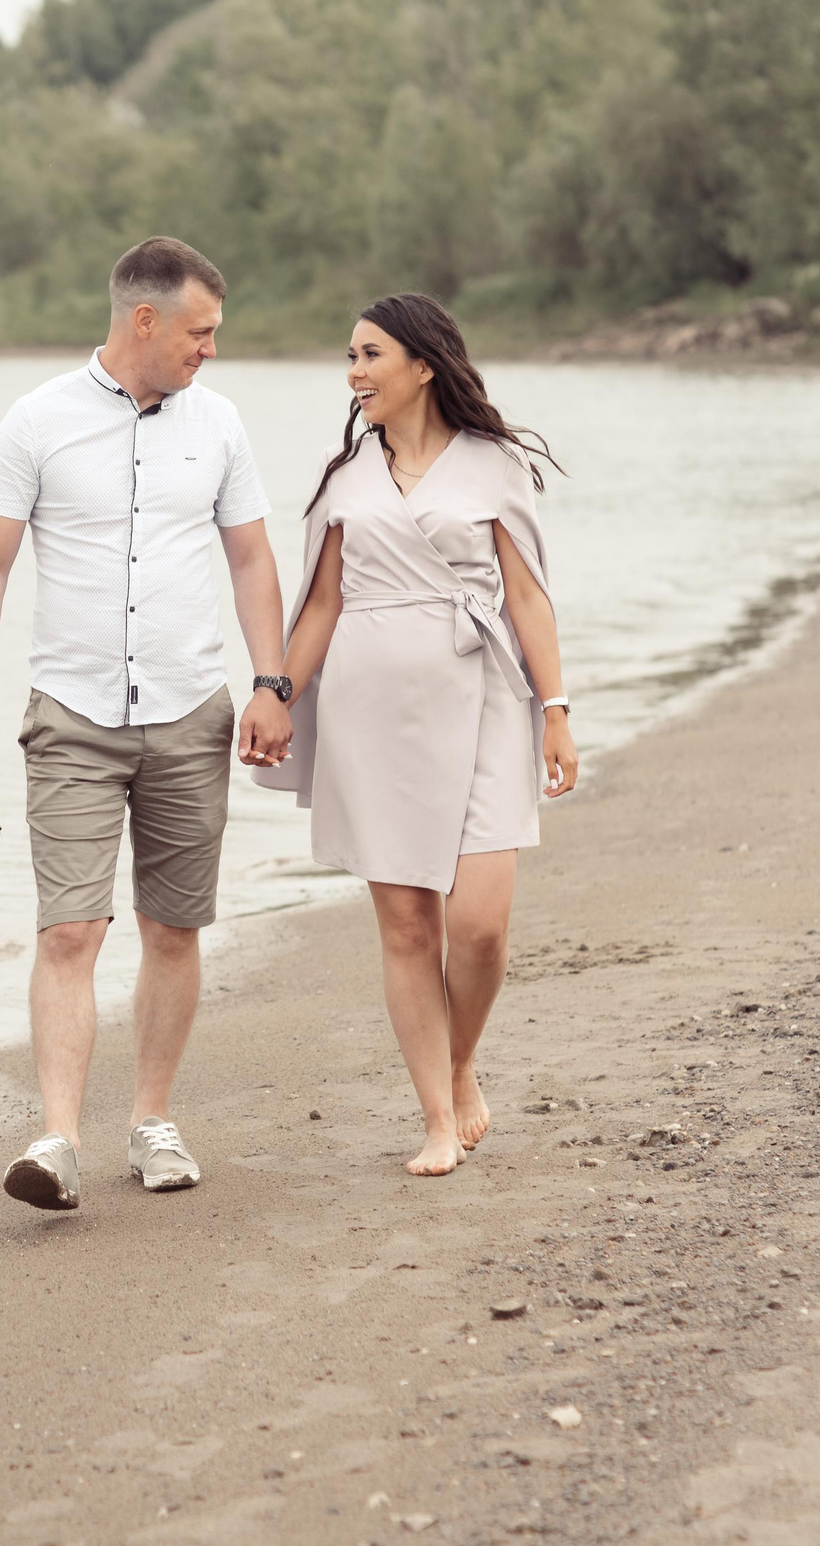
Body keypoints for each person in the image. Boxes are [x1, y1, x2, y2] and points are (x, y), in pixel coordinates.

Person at [0, 236, 292, 1211]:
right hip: (71, 715)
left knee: (172, 928)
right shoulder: (35, 421)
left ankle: (151, 1118)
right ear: (145, 319)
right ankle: (56, 1137)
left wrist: (273, 684)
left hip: (189, 709)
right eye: (200, 331)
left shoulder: (217, 425)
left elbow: (252, 561)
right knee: (69, 930)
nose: (209, 350)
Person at [255, 292, 578, 1177]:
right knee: (406, 927)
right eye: (350, 357)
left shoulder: (493, 466)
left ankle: (461, 1057)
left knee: (477, 927)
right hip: (371, 715)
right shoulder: (343, 482)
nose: (354, 372)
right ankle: (437, 1115)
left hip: (482, 702)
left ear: (423, 365)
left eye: (370, 355)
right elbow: (320, 604)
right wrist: (279, 692)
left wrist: (555, 710)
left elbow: (528, 598)